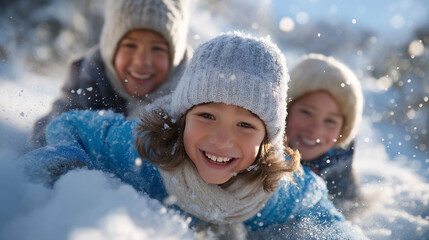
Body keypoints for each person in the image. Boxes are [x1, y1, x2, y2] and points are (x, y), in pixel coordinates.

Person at [21, 32, 367, 239]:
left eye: (245, 125)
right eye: (206, 115)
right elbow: (72, 127)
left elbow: (325, 218)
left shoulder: (276, 191)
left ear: (268, 139)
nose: (221, 139)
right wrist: (62, 169)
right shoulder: (143, 151)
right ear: (182, 118)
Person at [29, 0, 191, 148]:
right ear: (111, 49)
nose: (142, 62)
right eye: (130, 45)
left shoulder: (192, 96)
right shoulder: (89, 81)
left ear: (175, 57)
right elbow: (48, 135)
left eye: (157, 48)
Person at [285, 53, 364, 213]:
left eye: (330, 121)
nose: (315, 129)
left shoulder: (339, 163)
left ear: (343, 131)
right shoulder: (260, 146)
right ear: (285, 110)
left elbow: (348, 211)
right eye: (306, 112)